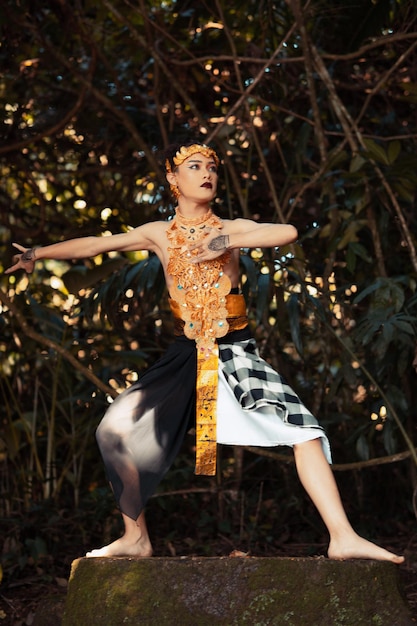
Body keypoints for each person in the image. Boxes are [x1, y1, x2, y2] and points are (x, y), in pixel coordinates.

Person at [6, 141, 404, 564]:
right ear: (173, 180)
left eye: (212, 166)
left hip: (233, 349)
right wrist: (38, 253)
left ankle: (342, 537)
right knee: (114, 430)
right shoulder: (158, 233)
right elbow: (96, 245)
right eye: (194, 166)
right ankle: (135, 537)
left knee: (303, 432)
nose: (207, 173)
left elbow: (285, 232)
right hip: (184, 351)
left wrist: (225, 240)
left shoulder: (231, 226)